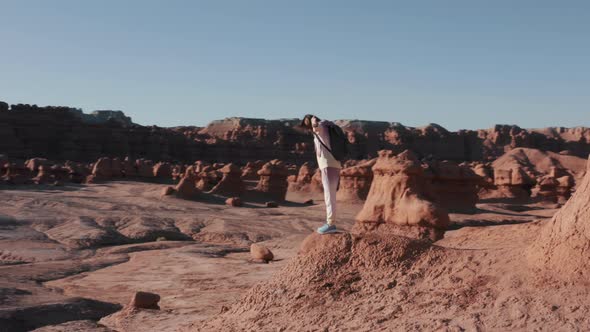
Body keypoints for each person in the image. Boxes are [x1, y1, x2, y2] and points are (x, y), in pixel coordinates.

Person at [300, 114, 341, 234]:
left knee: (329, 195)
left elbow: (316, 126)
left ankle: (331, 224)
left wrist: (312, 121)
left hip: (328, 164)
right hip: (334, 163)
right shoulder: (328, 127)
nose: (308, 130)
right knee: (331, 194)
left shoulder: (320, 127)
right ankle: (331, 222)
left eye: (307, 126)